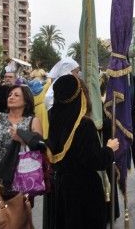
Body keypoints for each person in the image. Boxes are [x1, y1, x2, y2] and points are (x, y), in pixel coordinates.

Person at [46, 74, 119, 229]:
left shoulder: (52, 117)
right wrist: (109, 149)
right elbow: (95, 161)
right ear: (81, 95)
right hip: (85, 191)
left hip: (62, 188)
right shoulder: (84, 125)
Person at [0, 85, 43, 203]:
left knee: (18, 218)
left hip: (22, 176)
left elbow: (40, 147)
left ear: (26, 101)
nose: (11, 97)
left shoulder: (33, 121)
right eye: (10, 95)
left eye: (16, 95)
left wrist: (23, 138)